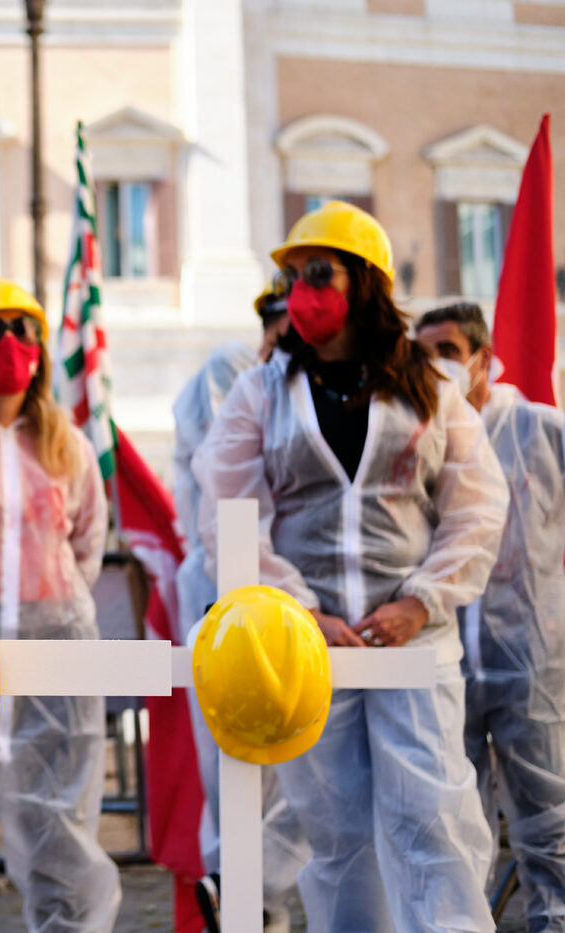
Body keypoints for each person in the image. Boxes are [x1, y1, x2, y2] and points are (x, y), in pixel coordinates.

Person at [194, 201, 508, 932]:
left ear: (365, 282)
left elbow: (477, 506)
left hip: (415, 643)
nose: (301, 292)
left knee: (433, 821)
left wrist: (422, 602)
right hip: (311, 648)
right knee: (333, 833)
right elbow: (227, 513)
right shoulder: (260, 392)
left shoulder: (431, 387)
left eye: (318, 273)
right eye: (292, 277)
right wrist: (301, 611)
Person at [0, 276, 120, 933]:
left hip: (54, 658)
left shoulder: (68, 447)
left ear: (40, 347)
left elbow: (87, 545)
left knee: (60, 825)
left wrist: (48, 613)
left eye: (22, 329)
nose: (7, 343)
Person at [416, 301, 565, 932]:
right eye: (422, 356)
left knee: (548, 815)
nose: (434, 368)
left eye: (447, 353)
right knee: (455, 822)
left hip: (532, 657)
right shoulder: (420, 435)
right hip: (445, 658)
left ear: (482, 356)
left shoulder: (539, 429)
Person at [171, 279, 307, 932]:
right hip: (221, 593)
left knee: (298, 760)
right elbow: (225, 472)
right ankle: (240, 892)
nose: (286, 335)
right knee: (233, 756)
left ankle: (253, 893)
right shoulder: (238, 373)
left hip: (293, 597)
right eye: (279, 324)